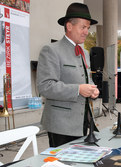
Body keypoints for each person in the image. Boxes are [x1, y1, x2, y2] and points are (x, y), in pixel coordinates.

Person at [36, 3, 99, 147]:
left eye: (88, 28)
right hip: (61, 126)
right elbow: (45, 86)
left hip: (82, 122)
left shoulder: (85, 53)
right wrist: (78, 89)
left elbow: (85, 80)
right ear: (69, 26)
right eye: (83, 27)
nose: (86, 32)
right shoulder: (51, 50)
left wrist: (92, 90)